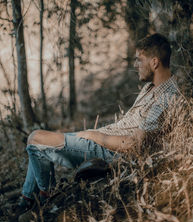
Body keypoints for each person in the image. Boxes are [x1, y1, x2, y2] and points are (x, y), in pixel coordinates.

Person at [19, 33, 180, 210]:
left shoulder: (166, 97)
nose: (135, 65)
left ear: (154, 62)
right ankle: (27, 199)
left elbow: (134, 144)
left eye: (139, 60)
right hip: (105, 139)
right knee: (35, 141)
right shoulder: (150, 88)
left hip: (111, 152)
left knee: (36, 138)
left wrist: (94, 135)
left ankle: (45, 200)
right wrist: (94, 134)